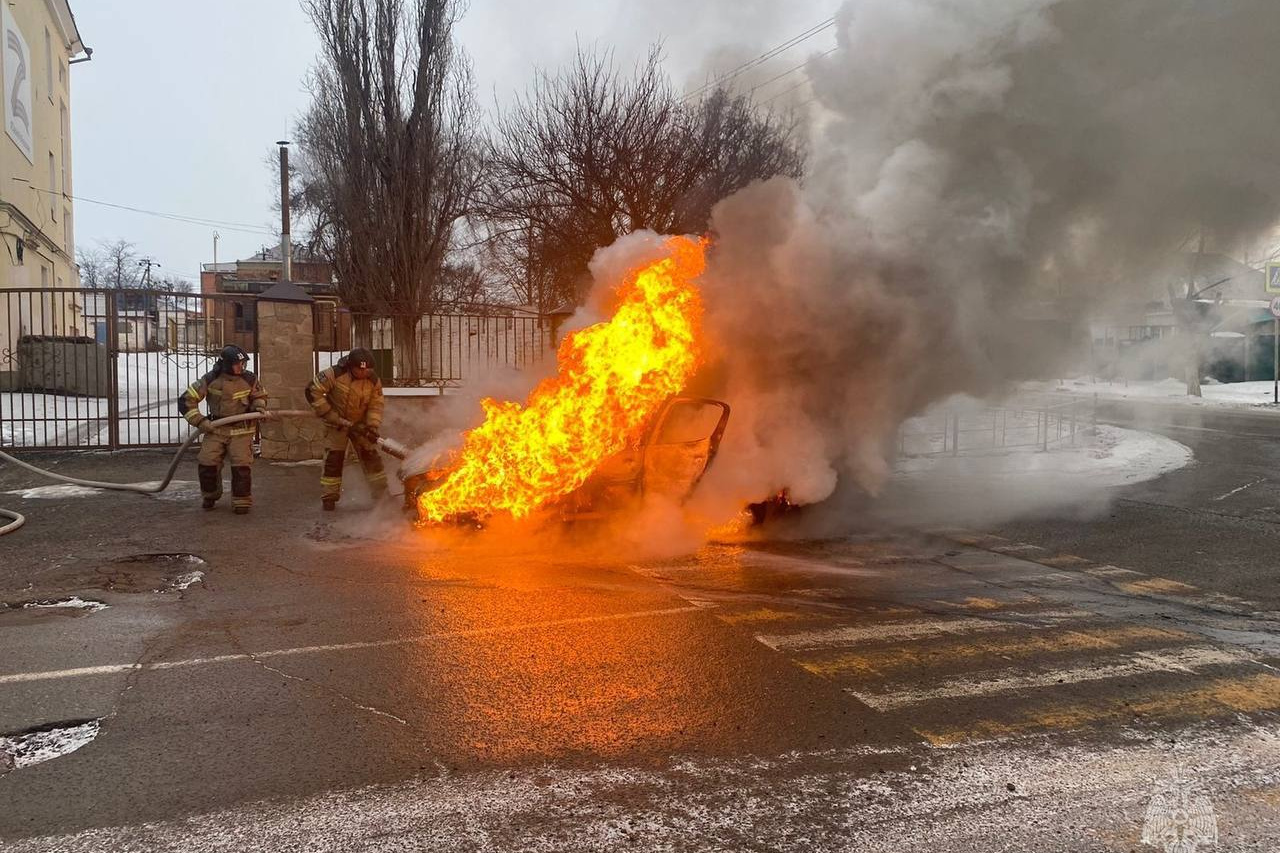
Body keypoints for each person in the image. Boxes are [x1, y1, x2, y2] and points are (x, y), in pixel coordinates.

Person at [177, 344, 271, 514]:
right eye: (238, 364)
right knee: (207, 463)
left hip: (241, 431)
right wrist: (200, 421)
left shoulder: (250, 379)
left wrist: (259, 407)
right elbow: (186, 400)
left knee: (241, 466)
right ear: (226, 364)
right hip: (216, 430)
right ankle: (210, 495)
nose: (242, 367)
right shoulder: (210, 379)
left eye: (243, 364)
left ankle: (242, 501)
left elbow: (260, 396)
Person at [305, 347, 387, 511]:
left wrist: (372, 425)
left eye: (368, 370)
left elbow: (376, 403)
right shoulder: (334, 374)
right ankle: (330, 497)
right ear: (351, 366)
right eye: (360, 370)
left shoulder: (373, 379)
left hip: (361, 425)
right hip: (336, 424)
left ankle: (381, 495)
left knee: (371, 458)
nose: (365, 373)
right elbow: (312, 391)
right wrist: (329, 414)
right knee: (334, 460)